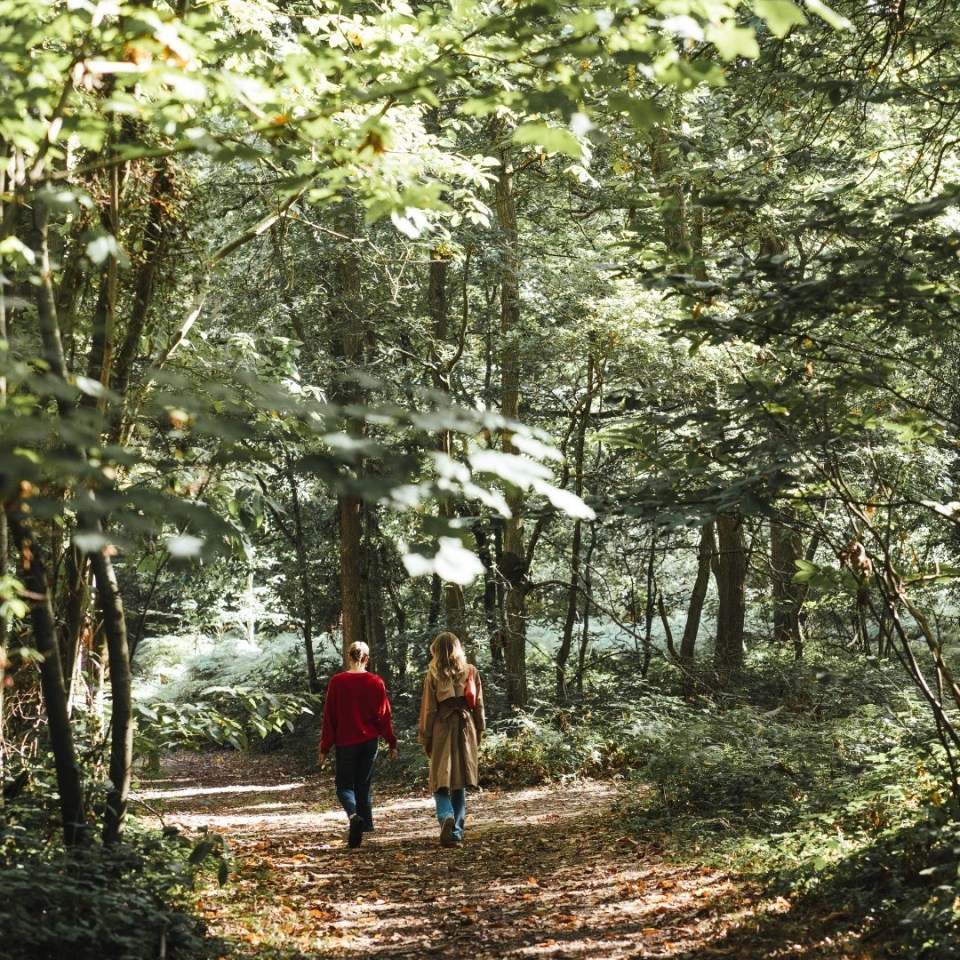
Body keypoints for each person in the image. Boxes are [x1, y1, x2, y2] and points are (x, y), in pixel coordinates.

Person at [319, 640, 398, 849]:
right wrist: (392, 742)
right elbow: (384, 717)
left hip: (346, 743)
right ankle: (365, 825)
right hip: (369, 742)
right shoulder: (376, 682)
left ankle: (354, 816)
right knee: (363, 784)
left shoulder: (337, 682)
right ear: (366, 659)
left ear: (349, 657)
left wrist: (325, 747)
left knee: (344, 786)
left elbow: (330, 717)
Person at [417, 631, 485, 847]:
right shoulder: (471, 671)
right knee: (459, 781)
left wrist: (425, 738)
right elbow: (479, 704)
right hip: (466, 728)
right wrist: (480, 730)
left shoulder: (433, 675)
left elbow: (429, 709)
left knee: (439, 779)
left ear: (436, 651)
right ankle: (456, 831)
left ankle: (445, 814)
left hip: (442, 728)